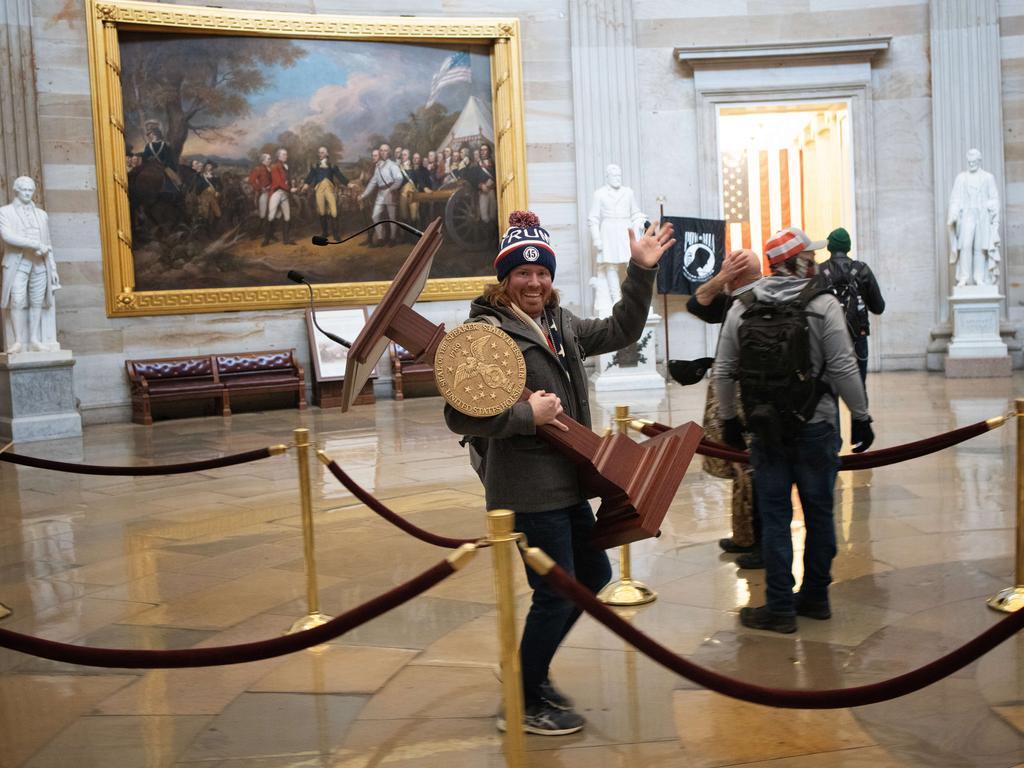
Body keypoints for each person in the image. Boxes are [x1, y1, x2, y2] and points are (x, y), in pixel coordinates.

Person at [445, 210, 676, 735]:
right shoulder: (485, 334)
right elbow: (459, 415)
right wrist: (529, 415)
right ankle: (523, 700)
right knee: (557, 590)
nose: (534, 282)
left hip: (570, 479)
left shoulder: (560, 322)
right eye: (522, 273)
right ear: (505, 279)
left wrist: (640, 271)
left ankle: (532, 671)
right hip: (527, 487)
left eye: (542, 272)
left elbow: (623, 328)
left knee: (592, 576)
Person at [712, 226, 874, 634]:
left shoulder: (742, 305)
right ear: (798, 262)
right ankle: (816, 597)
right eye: (810, 256)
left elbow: (724, 371)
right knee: (820, 514)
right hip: (816, 425)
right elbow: (842, 367)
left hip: (766, 430)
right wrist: (861, 415)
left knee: (775, 515)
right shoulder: (823, 304)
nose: (816, 262)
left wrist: (730, 421)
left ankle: (780, 607)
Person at [686, 249, 764, 568]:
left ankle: (762, 543)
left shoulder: (759, 299)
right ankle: (745, 536)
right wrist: (722, 279)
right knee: (739, 468)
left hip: (750, 398)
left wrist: (724, 277)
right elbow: (697, 302)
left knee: (752, 470)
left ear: (737, 275)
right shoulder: (733, 299)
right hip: (733, 394)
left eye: (727, 269)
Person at [819, 227, 885, 386]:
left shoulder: (820, 271)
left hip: (829, 338)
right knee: (859, 391)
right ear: (848, 246)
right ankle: (860, 410)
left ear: (830, 247)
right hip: (858, 335)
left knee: (829, 394)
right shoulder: (862, 270)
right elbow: (878, 307)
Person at [0, 176, 60, 353]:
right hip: (18, 264)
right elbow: (7, 236)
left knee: (37, 302)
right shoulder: (5, 212)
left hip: (40, 265)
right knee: (17, 300)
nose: (27, 193)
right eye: (23, 190)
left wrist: (53, 268)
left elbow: (48, 242)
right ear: (16, 190)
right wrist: (34, 244)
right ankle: (18, 341)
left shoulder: (41, 215)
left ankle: (33, 338)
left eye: (30, 190)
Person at [587, 164, 647, 317]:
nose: (617, 178)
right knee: (611, 266)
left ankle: (631, 297)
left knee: (631, 263)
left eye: (619, 176)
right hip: (608, 231)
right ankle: (616, 300)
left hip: (625, 229)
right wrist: (597, 239)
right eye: (614, 176)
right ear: (607, 177)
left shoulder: (628, 193)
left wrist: (640, 221)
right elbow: (593, 218)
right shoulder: (599, 194)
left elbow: (635, 213)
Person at [948, 148, 1000, 287]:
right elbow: (955, 199)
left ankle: (979, 278)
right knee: (965, 246)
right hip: (966, 216)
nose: (972, 164)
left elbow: (994, 198)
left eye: (974, 161)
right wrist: (953, 215)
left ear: (979, 161)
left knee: (979, 248)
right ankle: (964, 277)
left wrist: (988, 206)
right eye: (969, 162)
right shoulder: (961, 178)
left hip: (982, 215)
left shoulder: (988, 177)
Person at [360, 143, 403, 247]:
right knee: (375, 216)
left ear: (389, 152)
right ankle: (380, 238)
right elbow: (373, 182)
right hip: (380, 194)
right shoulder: (378, 167)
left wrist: (390, 189)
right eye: (381, 150)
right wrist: (363, 195)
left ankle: (392, 238)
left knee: (392, 218)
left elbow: (399, 179)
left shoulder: (393, 165)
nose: (383, 152)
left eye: (385, 150)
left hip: (390, 193)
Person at [302, 146, 349, 241]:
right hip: (319, 189)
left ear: (327, 154)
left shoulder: (332, 166)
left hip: (329, 189)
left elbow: (340, 176)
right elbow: (310, 176)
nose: (320, 154)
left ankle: (336, 234)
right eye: (319, 152)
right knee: (322, 211)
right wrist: (306, 184)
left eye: (322, 152)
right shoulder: (315, 166)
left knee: (334, 211)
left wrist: (348, 183)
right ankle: (325, 233)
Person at [264, 148, 298, 246]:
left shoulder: (286, 166)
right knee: (271, 216)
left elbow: (287, 180)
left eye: (286, 154)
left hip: (285, 194)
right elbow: (278, 182)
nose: (286, 156)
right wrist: (290, 189)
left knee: (287, 216)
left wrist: (290, 187)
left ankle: (286, 240)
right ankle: (266, 240)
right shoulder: (275, 166)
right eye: (284, 155)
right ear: (278, 156)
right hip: (277, 192)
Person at [248, 153, 273, 241]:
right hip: (264, 193)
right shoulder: (258, 169)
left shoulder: (271, 169)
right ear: (263, 160)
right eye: (268, 159)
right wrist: (260, 188)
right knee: (263, 216)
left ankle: (270, 234)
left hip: (272, 192)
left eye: (270, 159)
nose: (270, 160)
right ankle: (260, 234)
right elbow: (251, 180)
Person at [195, 161, 222, 237]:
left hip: (213, 197)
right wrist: (199, 196)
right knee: (205, 215)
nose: (209, 167)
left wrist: (218, 191)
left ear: (212, 167)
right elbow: (198, 188)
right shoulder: (201, 177)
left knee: (218, 215)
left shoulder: (216, 177)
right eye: (207, 166)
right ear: (205, 167)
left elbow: (220, 186)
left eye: (210, 166)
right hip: (204, 197)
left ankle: (214, 229)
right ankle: (207, 232)